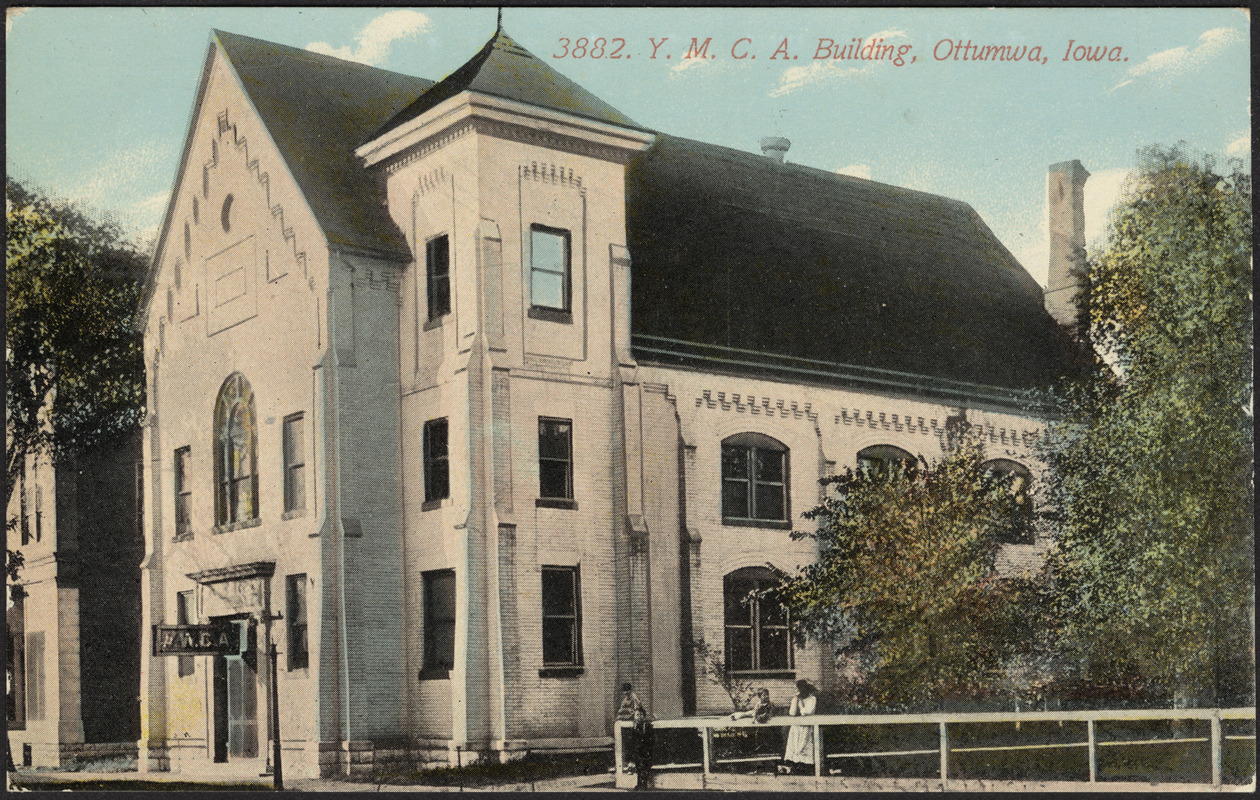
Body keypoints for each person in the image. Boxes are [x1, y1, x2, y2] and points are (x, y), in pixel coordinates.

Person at [780, 679, 817, 775]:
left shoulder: (812, 699)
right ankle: (794, 767)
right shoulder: (796, 699)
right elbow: (792, 713)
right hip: (796, 727)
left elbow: (806, 712)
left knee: (803, 746)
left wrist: (800, 705)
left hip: (806, 727)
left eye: (797, 689)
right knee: (794, 746)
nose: (795, 690)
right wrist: (796, 700)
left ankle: (806, 768)